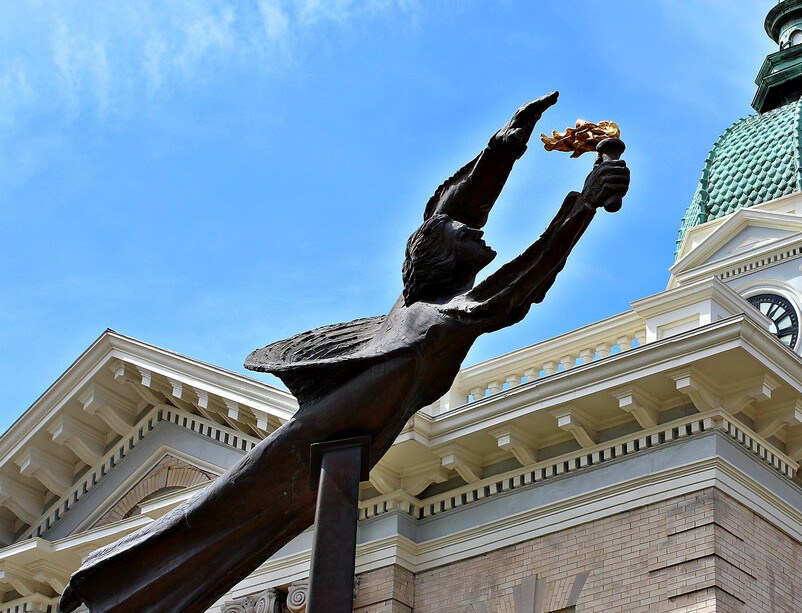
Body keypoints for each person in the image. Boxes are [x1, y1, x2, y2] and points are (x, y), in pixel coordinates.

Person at [59, 91, 629, 613]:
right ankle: (110, 582)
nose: (477, 233)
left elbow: (455, 225)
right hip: (313, 443)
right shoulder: (430, 318)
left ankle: (113, 584)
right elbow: (513, 283)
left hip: (330, 446)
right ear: (442, 257)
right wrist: (574, 199)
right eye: (464, 235)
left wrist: (512, 153)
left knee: (226, 528)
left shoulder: (420, 309)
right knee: (218, 520)